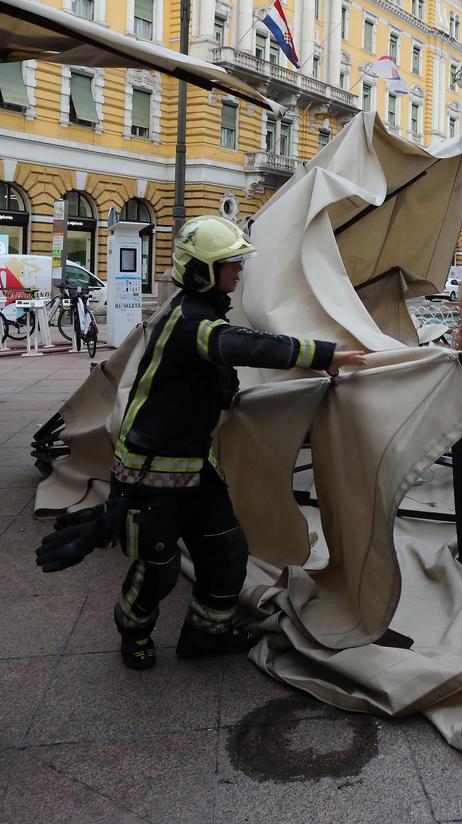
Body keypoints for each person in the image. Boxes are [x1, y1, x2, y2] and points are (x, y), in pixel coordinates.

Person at [109, 216, 366, 670]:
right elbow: (246, 346)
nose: (239, 271)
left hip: (193, 463)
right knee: (159, 567)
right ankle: (133, 629)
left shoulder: (200, 313)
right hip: (148, 472)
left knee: (227, 552)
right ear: (201, 271)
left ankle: (204, 635)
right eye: (230, 263)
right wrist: (324, 355)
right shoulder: (192, 322)